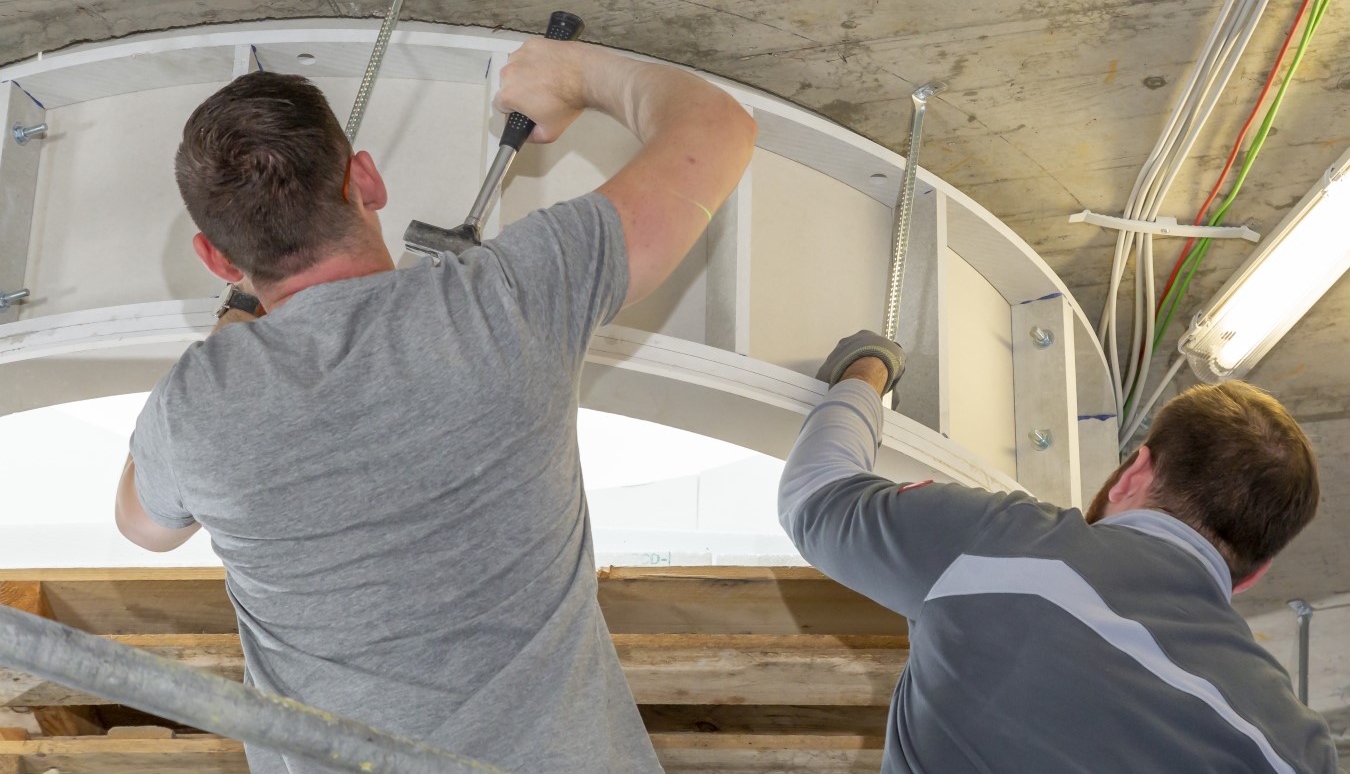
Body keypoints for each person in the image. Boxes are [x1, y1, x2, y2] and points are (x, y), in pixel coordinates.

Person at [113, 39, 756, 772]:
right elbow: (718, 128)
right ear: (366, 180)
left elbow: (143, 527)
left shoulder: (194, 409)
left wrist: (233, 332)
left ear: (217, 258)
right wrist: (572, 75)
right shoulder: (506, 301)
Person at [779, 330, 1338, 773]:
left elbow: (816, 495)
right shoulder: (1298, 750)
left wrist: (870, 366)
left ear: (1134, 473)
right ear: (1253, 574)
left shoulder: (1003, 544)